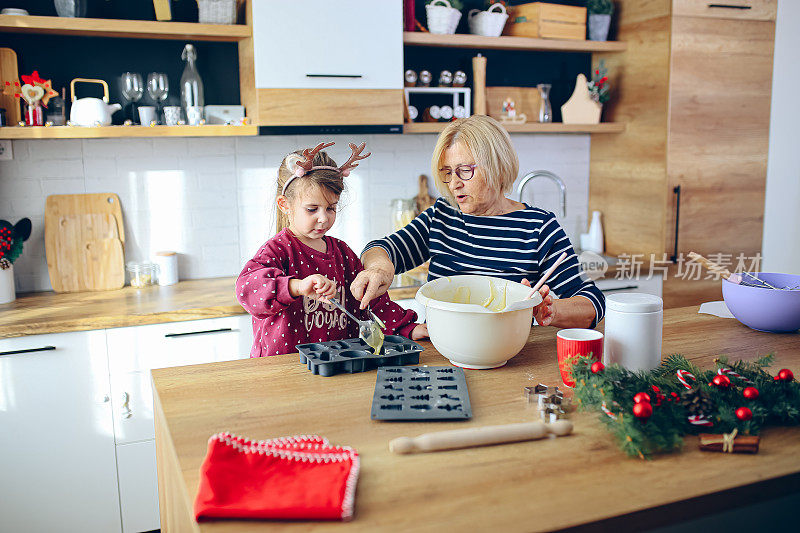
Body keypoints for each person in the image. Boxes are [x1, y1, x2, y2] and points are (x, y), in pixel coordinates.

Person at [352, 116, 605, 335]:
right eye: (448, 172)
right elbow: (382, 248)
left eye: (464, 170)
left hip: (510, 355)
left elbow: (593, 303)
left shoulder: (538, 227)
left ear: (497, 166)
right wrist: (380, 269)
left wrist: (550, 309)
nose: (454, 184)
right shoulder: (442, 216)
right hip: (443, 352)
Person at [236, 142, 426, 357]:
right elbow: (247, 290)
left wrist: (406, 328)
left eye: (331, 208)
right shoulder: (277, 250)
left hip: (336, 365)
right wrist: (296, 286)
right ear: (284, 205)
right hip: (284, 370)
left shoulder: (342, 253)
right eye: (312, 209)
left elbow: (373, 299)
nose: (323, 218)